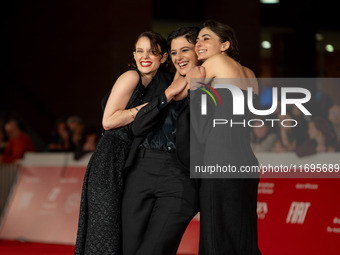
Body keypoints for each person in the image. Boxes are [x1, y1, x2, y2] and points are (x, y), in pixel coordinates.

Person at [74, 31, 172, 255]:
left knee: (119, 233)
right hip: (109, 160)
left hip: (129, 163)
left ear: (164, 57)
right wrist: (153, 105)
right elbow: (108, 122)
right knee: (104, 231)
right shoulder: (132, 77)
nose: (144, 56)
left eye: (152, 51)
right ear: (134, 55)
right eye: (140, 51)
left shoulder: (157, 84)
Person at [121, 26, 200, 255]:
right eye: (174, 52)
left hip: (180, 176)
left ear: (198, 51)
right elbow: (138, 126)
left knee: (155, 250)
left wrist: (198, 87)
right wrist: (169, 93)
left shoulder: (210, 85)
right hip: (141, 170)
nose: (179, 57)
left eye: (185, 50)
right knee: (130, 249)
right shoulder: (157, 81)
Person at [191, 20, 261, 254]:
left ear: (225, 45)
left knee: (216, 233)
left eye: (206, 38)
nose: (198, 43)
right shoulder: (250, 73)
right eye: (198, 39)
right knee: (243, 234)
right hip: (246, 160)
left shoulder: (215, 62)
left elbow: (182, 92)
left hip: (220, 158)